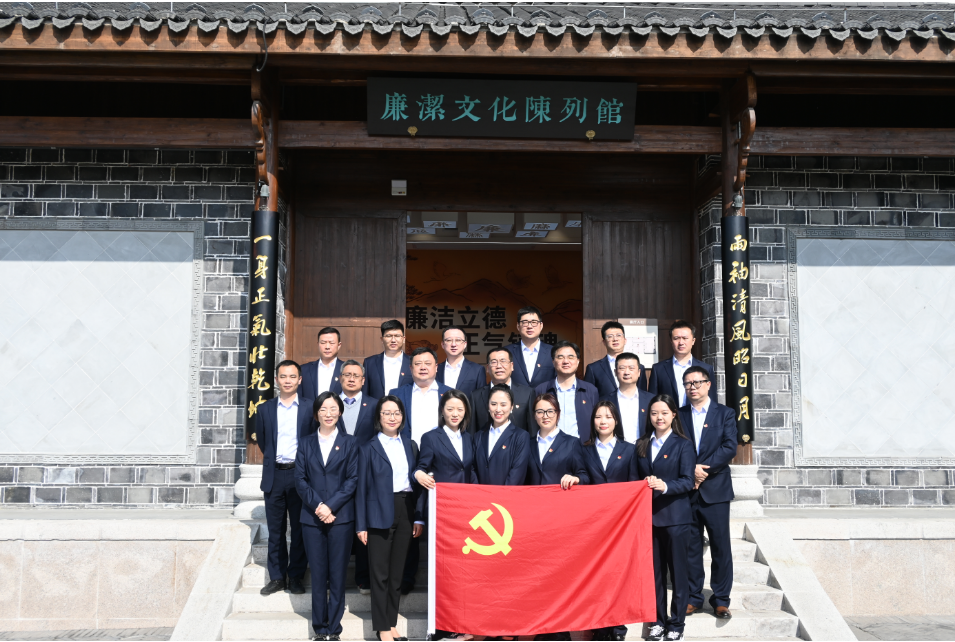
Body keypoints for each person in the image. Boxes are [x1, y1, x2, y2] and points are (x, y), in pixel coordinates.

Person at [356, 396, 423, 642]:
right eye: (386, 413)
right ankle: (382, 627)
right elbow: (361, 489)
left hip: (406, 509)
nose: (392, 417)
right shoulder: (368, 447)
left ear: (402, 416)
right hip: (378, 513)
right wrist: (361, 524)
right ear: (379, 417)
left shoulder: (410, 445)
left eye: (396, 413)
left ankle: (392, 623)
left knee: (397, 573)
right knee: (380, 574)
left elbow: (417, 484)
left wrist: (419, 518)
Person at [295, 392, 359, 641]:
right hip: (312, 518)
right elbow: (300, 480)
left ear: (340, 412)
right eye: (323, 409)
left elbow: (352, 479)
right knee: (318, 573)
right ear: (316, 414)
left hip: (340, 517)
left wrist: (330, 506)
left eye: (333, 409)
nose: (328, 413)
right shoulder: (305, 443)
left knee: (338, 573)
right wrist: (319, 506)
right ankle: (320, 628)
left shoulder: (350, 442)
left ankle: (334, 629)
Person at [634, 395, 697, 642]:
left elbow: (688, 481)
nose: (659, 418)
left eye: (664, 413)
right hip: (648, 519)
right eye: (654, 413)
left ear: (673, 415)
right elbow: (634, 479)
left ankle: (676, 624)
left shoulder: (683, 445)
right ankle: (658, 622)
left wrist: (665, 485)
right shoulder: (641, 444)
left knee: (678, 574)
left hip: (676, 519)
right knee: (655, 575)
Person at [678, 366, 738, 621]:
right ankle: (693, 597)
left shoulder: (725, 413)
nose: (693, 387)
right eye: (688, 383)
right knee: (691, 547)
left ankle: (721, 599)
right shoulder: (678, 415)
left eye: (697, 382)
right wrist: (690, 470)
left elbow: (729, 447)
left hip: (716, 490)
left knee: (720, 546)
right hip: (687, 491)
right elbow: (675, 445)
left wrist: (703, 470)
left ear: (708, 384)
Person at [389, 346, 450, 594]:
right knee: (408, 520)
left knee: (442, 524)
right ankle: (406, 577)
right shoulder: (397, 394)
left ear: (436, 367)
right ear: (410, 368)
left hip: (442, 463)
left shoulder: (449, 394)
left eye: (428, 363)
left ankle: (444, 579)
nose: (423, 367)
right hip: (407, 462)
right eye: (417, 363)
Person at [255, 360, 314, 597]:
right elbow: (263, 441)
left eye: (292, 376)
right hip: (275, 475)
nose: (287, 381)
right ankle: (277, 577)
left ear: (300, 380)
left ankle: (296, 576)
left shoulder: (309, 408)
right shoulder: (265, 409)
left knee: (299, 529)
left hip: (300, 474)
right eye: (283, 376)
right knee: (276, 530)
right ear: (276, 379)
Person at [581, 400, 639, 642]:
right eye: (598, 417)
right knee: (597, 576)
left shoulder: (629, 449)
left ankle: (617, 627)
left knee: (618, 575)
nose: (603, 421)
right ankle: (599, 625)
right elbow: (583, 479)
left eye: (608, 416)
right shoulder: (583, 449)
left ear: (616, 421)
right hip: (594, 523)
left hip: (620, 523)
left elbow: (634, 484)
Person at [336, 359, 378, 595]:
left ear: (363, 380)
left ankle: (363, 578)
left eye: (356, 376)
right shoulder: (330, 404)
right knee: (339, 526)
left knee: (364, 525)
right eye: (347, 375)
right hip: (336, 475)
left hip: (365, 474)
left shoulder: (374, 405)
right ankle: (336, 578)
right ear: (340, 378)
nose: (351, 379)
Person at [534, 341, 599, 441]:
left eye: (571, 357)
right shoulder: (542, 390)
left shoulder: (590, 390)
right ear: (553, 362)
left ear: (578, 361)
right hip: (550, 445)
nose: (565, 361)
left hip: (582, 446)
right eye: (560, 357)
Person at [415, 389, 478, 487]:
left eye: (460, 409)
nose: (455, 414)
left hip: (465, 493)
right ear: (442, 410)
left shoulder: (468, 438)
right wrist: (418, 474)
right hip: (443, 494)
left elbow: (471, 470)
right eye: (450, 409)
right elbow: (422, 468)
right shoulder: (430, 438)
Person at [526, 393, 589, 488]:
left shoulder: (572, 443)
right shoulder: (528, 443)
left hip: (561, 496)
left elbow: (585, 476)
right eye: (540, 412)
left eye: (550, 411)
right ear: (534, 415)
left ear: (558, 414)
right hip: (533, 496)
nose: (545, 416)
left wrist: (576, 478)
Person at [649, 320, 717, 407]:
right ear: (671, 341)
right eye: (676, 338)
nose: (681, 342)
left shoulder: (706, 368)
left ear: (693, 341)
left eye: (685, 338)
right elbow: (653, 400)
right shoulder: (658, 369)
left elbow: (712, 400)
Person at [473, 385, 530, 485]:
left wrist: (501, 494)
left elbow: (517, 474)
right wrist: (479, 491)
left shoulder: (521, 436)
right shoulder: (479, 436)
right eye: (493, 404)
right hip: (480, 493)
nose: (498, 409)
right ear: (488, 406)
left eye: (503, 405)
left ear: (511, 407)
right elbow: (472, 469)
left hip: (507, 494)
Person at [469, 347, 535, 433]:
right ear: (487, 368)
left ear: (512, 366)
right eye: (494, 362)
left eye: (503, 361)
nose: (499, 366)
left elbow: (533, 430)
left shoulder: (527, 393)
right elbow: (472, 431)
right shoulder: (475, 396)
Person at [600, 352, 654, 444]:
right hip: (616, 449)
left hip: (645, 449)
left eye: (631, 368)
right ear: (615, 372)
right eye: (622, 368)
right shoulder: (605, 401)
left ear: (639, 372)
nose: (627, 372)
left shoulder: (651, 400)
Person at [583, 321, 647, 397]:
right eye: (610, 336)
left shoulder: (639, 367)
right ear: (604, 342)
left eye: (619, 335)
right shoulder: (593, 369)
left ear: (625, 340)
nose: (615, 339)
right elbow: (588, 396)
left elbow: (643, 395)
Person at [504, 306, 555, 389]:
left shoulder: (552, 351)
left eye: (534, 322)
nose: (530, 326)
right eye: (525, 322)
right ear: (518, 326)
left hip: (544, 396)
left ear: (541, 325)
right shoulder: (507, 352)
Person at [364, 320, 413, 400]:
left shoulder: (412, 362)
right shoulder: (370, 363)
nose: (393, 340)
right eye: (389, 336)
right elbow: (365, 393)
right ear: (382, 339)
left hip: (405, 407)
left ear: (403, 339)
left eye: (397, 336)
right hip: (377, 407)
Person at [436, 326, 486, 396]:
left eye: (458, 340)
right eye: (449, 340)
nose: (453, 344)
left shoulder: (477, 370)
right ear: (442, 344)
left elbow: (481, 398)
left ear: (465, 344)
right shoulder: (436, 369)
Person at [299, 326, 344, 398]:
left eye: (331, 343)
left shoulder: (346, 369)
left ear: (339, 345)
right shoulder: (304, 370)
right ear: (318, 344)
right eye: (323, 343)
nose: (327, 347)